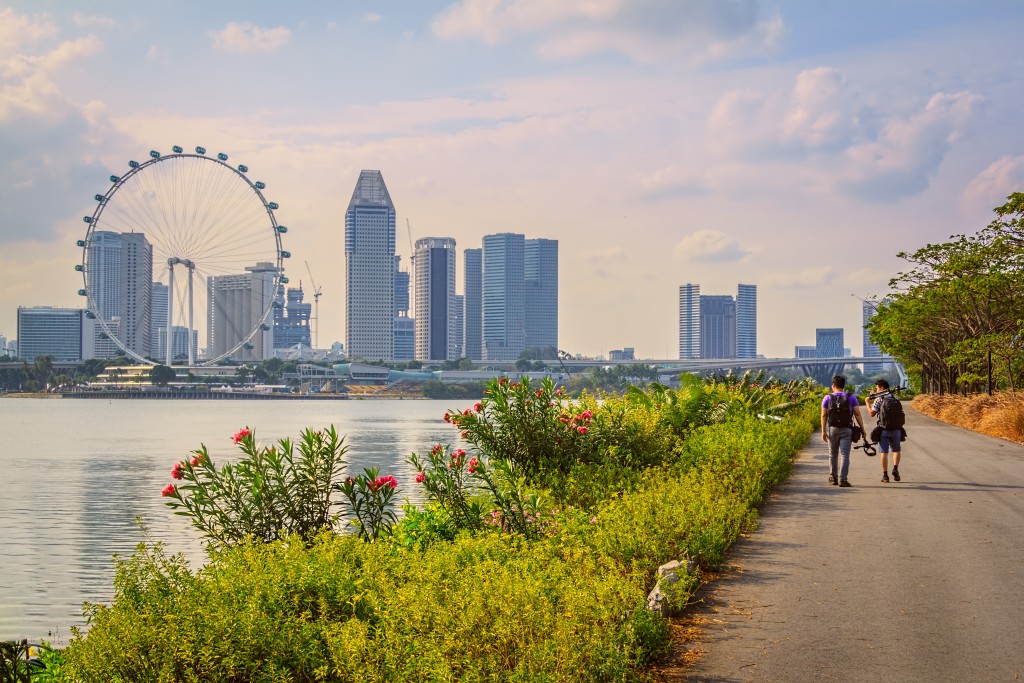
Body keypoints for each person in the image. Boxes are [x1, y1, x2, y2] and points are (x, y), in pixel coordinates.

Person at [820, 374, 867, 487]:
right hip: (847, 429)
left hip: (833, 429)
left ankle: (833, 477)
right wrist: (862, 429)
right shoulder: (851, 397)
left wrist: (823, 431)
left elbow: (823, 415)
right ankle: (843, 480)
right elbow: (857, 414)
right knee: (845, 455)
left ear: (833, 385)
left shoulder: (827, 397)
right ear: (844, 385)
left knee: (833, 454)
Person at [867, 378, 903, 483]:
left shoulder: (879, 400)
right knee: (896, 450)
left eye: (877, 388)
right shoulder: (894, 398)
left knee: (884, 452)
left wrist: (868, 403)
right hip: (896, 429)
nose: (876, 390)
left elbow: (872, 413)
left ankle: (885, 476)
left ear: (881, 387)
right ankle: (895, 468)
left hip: (884, 429)